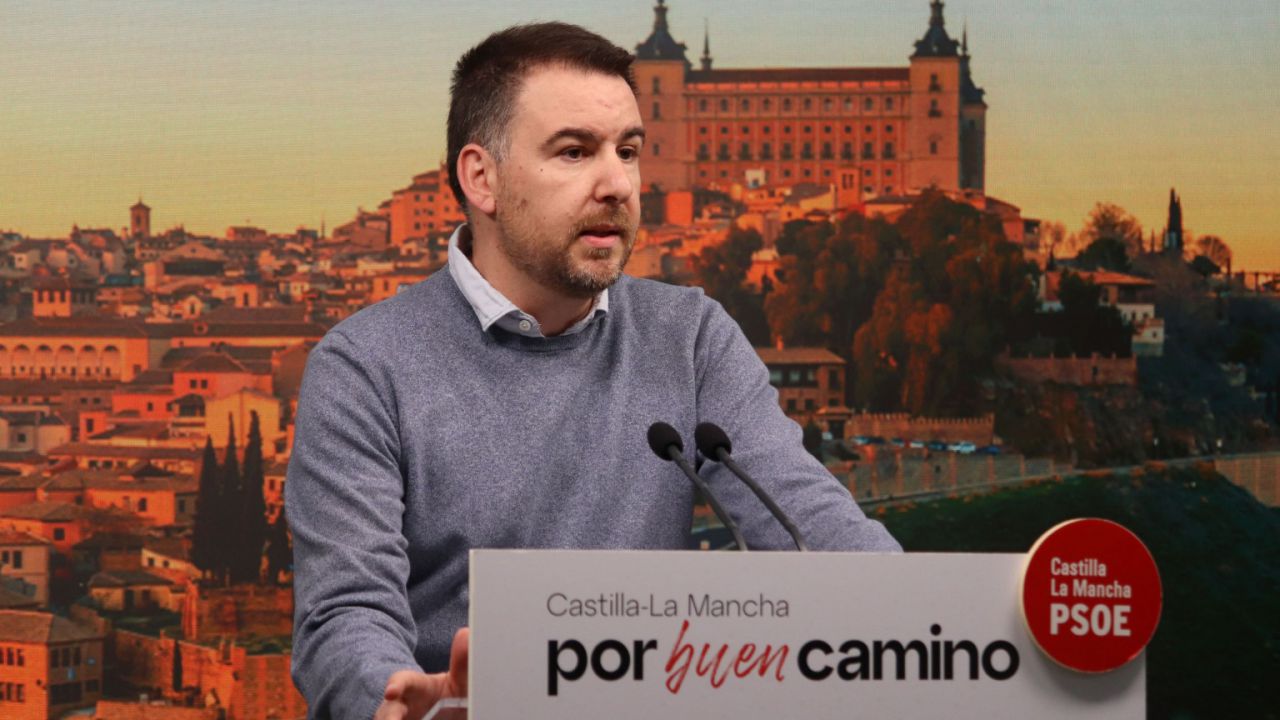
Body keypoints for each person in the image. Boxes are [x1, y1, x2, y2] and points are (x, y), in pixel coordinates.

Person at [286, 21, 900, 720]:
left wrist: (931, 628)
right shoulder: (364, 368)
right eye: (575, 151)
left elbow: (810, 524)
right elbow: (346, 615)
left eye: (628, 151)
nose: (618, 185)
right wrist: (398, 701)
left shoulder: (691, 336)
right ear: (482, 178)